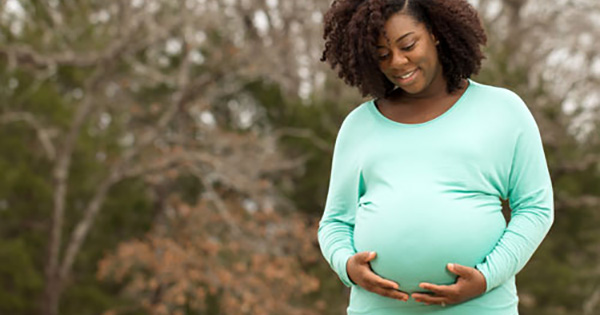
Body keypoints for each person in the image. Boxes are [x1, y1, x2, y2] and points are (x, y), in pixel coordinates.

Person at [317, 0, 554, 314]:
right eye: (382, 54)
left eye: (408, 45)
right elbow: (334, 222)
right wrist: (347, 266)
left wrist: (486, 277)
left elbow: (535, 209)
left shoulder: (503, 110)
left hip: (480, 308)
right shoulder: (358, 126)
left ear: (435, 32)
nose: (398, 63)